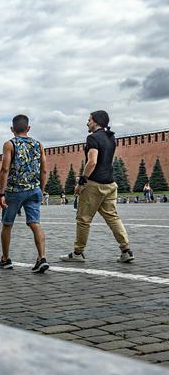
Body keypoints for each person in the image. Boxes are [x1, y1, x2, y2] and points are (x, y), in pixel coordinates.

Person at [60, 111, 134, 263]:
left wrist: (81, 181)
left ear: (96, 121)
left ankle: (78, 253)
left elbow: (92, 161)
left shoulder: (92, 138)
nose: (87, 123)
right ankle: (126, 250)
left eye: (89, 120)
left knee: (83, 219)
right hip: (110, 184)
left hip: (94, 184)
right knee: (112, 217)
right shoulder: (111, 137)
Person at [0, 114, 49, 273]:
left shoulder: (9, 144)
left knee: (7, 224)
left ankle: (5, 259)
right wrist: (41, 189)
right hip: (33, 190)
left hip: (14, 191)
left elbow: (5, 169)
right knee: (35, 223)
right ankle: (41, 258)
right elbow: (44, 170)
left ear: (12, 129)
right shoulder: (38, 144)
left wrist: (1, 193)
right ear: (28, 128)